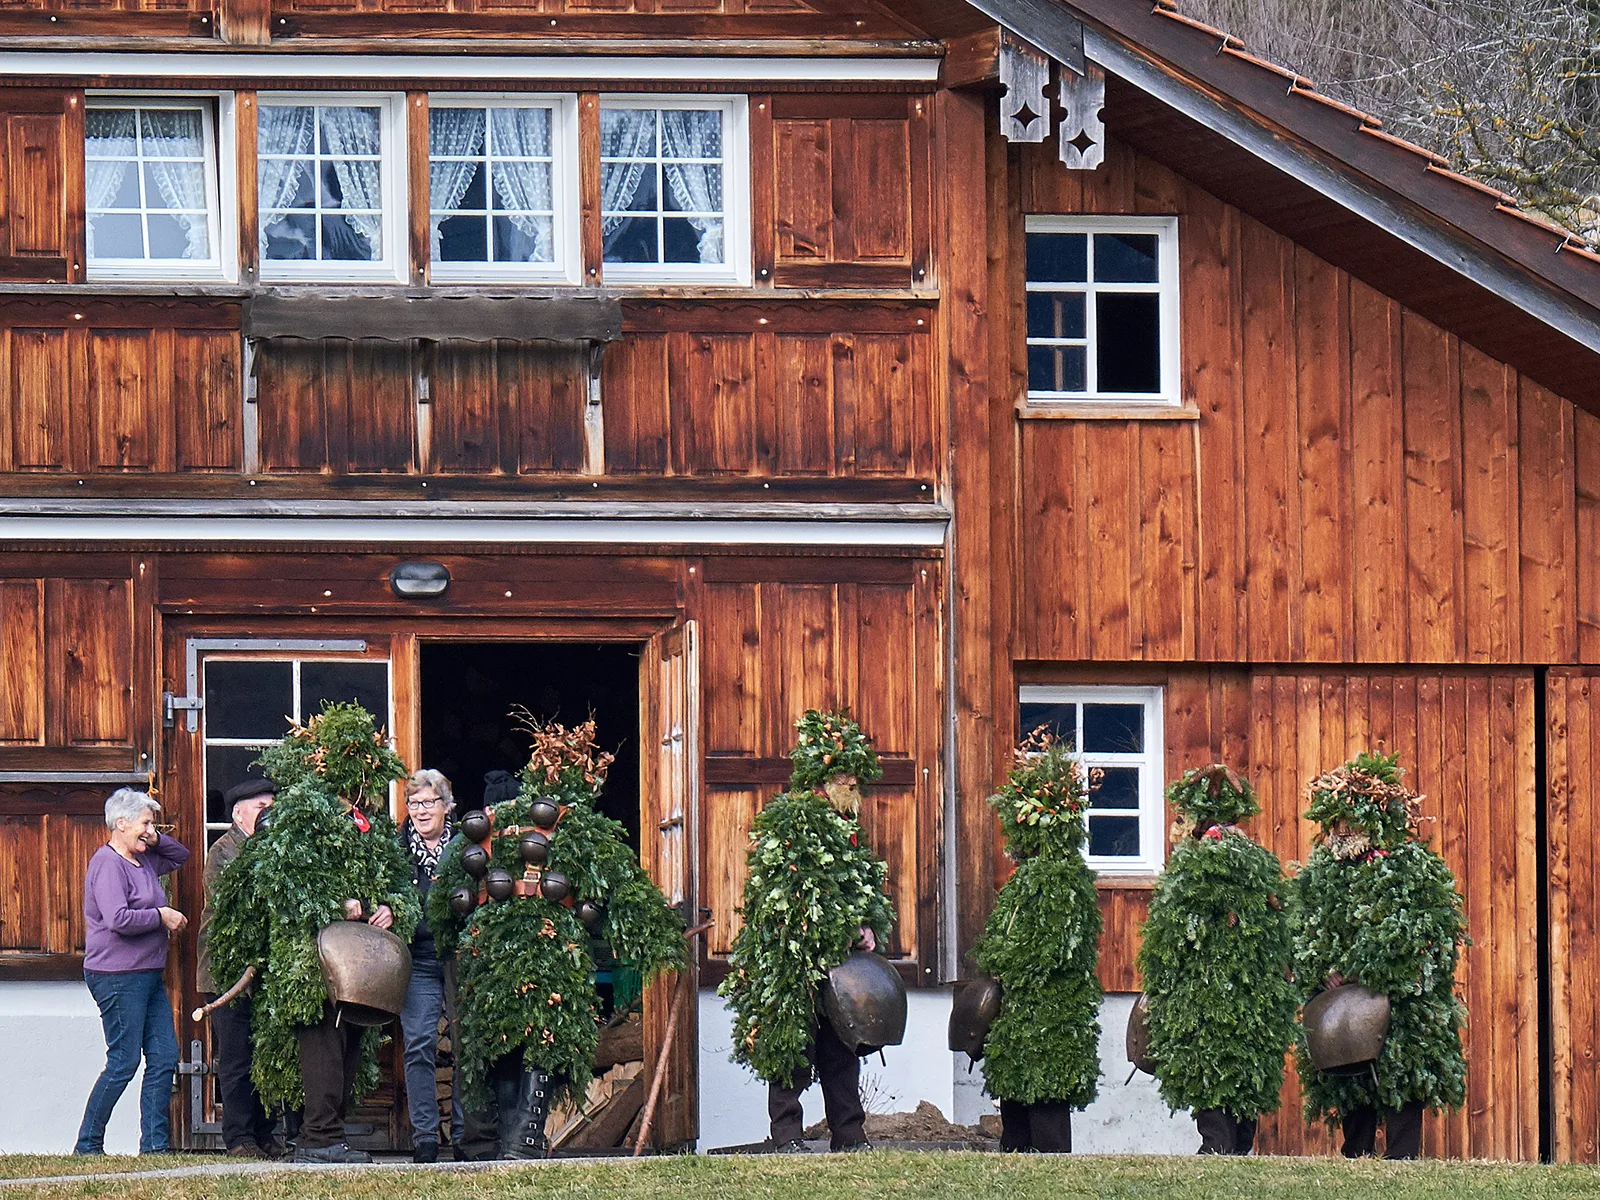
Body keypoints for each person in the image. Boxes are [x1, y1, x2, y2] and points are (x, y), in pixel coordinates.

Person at [207, 702, 420, 1166]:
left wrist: (389, 907)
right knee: (320, 1045)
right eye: (355, 763)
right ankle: (317, 1138)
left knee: (350, 1047)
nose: (364, 776)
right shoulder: (299, 818)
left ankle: (329, 1135)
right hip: (310, 962)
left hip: (359, 963)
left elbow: (396, 882)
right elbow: (281, 886)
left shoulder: (366, 824)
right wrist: (336, 905)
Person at [719, 711, 894, 1154]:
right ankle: (788, 1137)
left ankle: (850, 1135)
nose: (855, 786)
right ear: (824, 778)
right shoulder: (792, 821)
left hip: (840, 969)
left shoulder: (846, 828)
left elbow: (861, 887)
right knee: (790, 1049)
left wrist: (868, 925)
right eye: (846, 778)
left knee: (841, 1050)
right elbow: (796, 892)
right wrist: (844, 928)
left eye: (858, 779)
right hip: (792, 962)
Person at [1293, 752, 1468, 1159]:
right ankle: (1355, 1157)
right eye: (1334, 822)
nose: (1339, 830)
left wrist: (1368, 972)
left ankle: (1402, 1163)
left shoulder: (1411, 870)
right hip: (1345, 1016)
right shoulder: (1323, 875)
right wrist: (1325, 972)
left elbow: (1427, 936)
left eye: (1348, 820)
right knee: (1352, 1084)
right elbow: (1304, 933)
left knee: (1403, 1083)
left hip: (1403, 1010)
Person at [1137, 766, 1297, 1156]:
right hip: (1255, 988)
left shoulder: (1194, 866)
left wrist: (1165, 983)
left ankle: (1216, 1150)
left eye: (1183, 817)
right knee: (1244, 1068)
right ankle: (1236, 1150)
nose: (1179, 826)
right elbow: (1281, 921)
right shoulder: (1257, 861)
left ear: (1198, 817)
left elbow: (1173, 934)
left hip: (1204, 992)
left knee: (1208, 1067)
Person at [973, 732, 1102, 1154]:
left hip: (1047, 1018)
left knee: (1045, 1106)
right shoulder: (1027, 879)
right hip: (1018, 1016)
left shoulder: (1058, 880)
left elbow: (1044, 952)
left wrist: (999, 964)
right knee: (1016, 1110)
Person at [76, 788, 190, 1156]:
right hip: (116, 976)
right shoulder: (108, 863)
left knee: (163, 1057)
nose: (149, 829)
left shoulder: (145, 860)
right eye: (144, 822)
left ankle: (155, 1146)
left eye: (152, 823)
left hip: (147, 974)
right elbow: (118, 919)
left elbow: (180, 855)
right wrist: (162, 915)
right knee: (124, 1061)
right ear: (120, 824)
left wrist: (153, 837)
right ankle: (88, 1144)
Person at [195, 778, 281, 1160]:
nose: (267, 813)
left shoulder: (272, 851)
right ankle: (238, 1137)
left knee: (265, 1054)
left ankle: (265, 1133)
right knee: (236, 1058)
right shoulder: (224, 852)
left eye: (271, 805)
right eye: (260, 806)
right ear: (237, 813)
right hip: (226, 972)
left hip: (262, 971)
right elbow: (240, 906)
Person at [398, 768, 461, 1164]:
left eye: (428, 802)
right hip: (418, 959)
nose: (420, 811)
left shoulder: (468, 847)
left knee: (465, 1044)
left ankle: (462, 1135)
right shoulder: (397, 848)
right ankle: (425, 1138)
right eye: (413, 803)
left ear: (446, 806)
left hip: (460, 956)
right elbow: (384, 889)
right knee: (419, 1043)